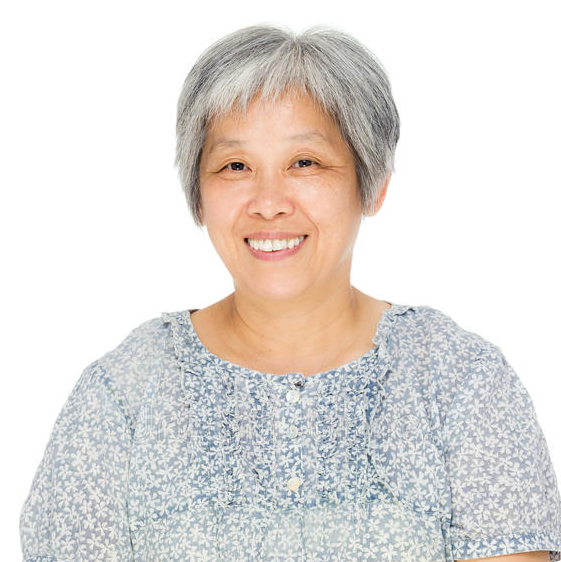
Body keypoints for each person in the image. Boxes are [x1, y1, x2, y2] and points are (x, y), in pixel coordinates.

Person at [19, 23, 561, 562]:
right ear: (198, 196)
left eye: (305, 163)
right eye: (235, 166)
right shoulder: (123, 393)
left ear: (372, 184)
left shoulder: (460, 380)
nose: (268, 202)